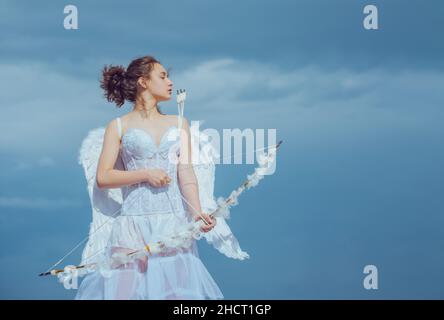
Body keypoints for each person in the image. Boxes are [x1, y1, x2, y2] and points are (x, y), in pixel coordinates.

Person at [75, 55, 223, 300]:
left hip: (172, 224)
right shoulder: (118, 126)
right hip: (131, 226)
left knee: (175, 296)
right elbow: (104, 176)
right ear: (143, 82)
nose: (170, 82)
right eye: (163, 76)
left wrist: (197, 213)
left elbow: (185, 171)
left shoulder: (179, 123)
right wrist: (145, 174)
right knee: (123, 293)